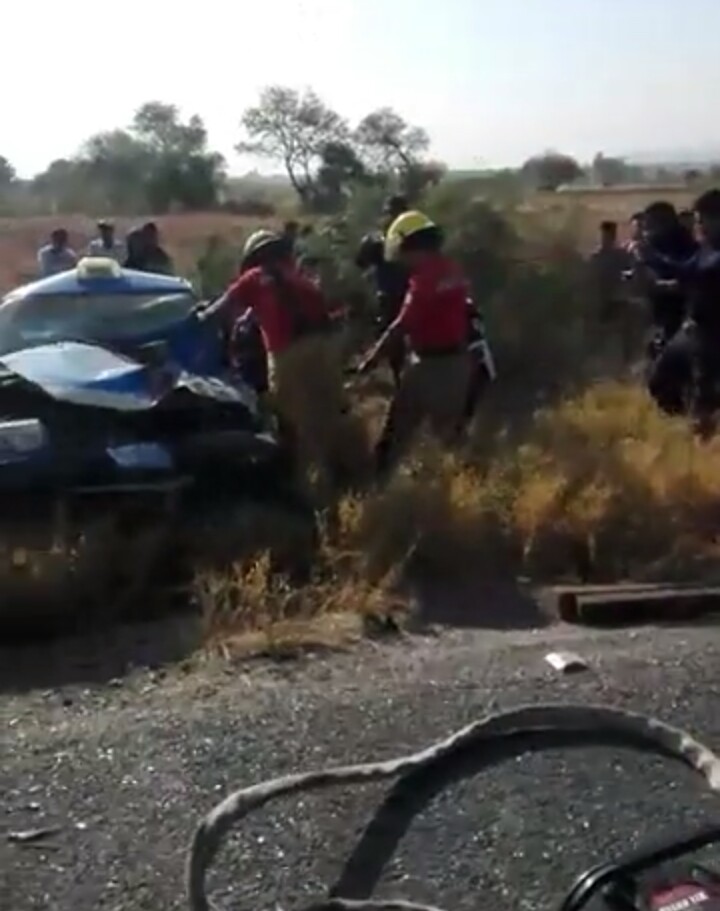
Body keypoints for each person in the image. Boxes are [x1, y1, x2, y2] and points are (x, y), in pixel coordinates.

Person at [218, 229, 350, 480]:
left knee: (294, 421)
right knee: (329, 411)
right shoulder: (303, 281)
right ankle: (346, 466)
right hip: (324, 351)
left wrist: (199, 318)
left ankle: (314, 491)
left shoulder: (255, 278)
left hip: (287, 355)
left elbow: (221, 308)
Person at [357, 210, 472, 477]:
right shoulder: (450, 268)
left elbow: (402, 324)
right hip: (454, 362)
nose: (402, 258)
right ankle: (471, 484)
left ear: (413, 246)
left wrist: (372, 359)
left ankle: (375, 484)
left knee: (400, 430)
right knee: (447, 433)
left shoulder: (424, 279)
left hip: (431, 366)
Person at [650, 190, 720, 435]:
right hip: (695, 328)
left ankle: (703, 444)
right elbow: (688, 272)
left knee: (706, 397)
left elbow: (695, 273)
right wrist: (654, 272)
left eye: (701, 220)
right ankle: (686, 425)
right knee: (661, 379)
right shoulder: (706, 248)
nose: (698, 226)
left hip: (713, 335)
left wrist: (652, 258)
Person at [355, 194, 411, 386]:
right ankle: (401, 379)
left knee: (394, 337)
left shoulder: (379, 238)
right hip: (407, 293)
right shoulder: (414, 236)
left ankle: (400, 379)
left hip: (394, 295)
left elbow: (361, 262)